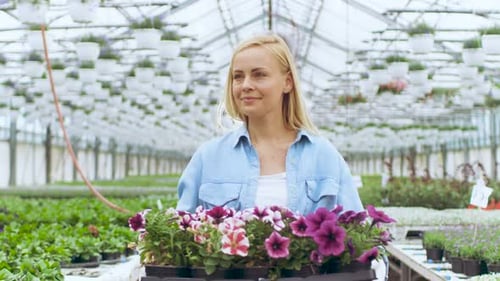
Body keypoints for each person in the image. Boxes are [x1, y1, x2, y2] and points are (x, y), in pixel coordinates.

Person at [176, 33, 363, 215]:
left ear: (287, 83)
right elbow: (178, 238)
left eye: (259, 75)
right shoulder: (208, 158)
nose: (246, 85)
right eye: (238, 76)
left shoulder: (324, 157)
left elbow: (357, 234)